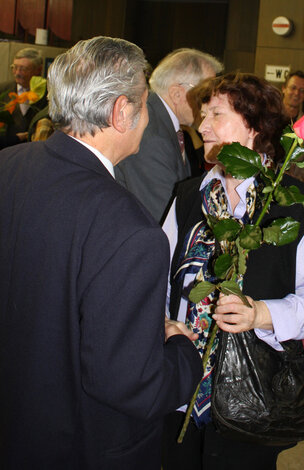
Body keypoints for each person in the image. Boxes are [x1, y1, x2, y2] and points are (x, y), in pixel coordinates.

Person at [0, 36, 202, 469]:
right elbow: (132, 384)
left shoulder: (8, 164)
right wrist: (183, 353)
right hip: (79, 444)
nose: (148, 119)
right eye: (146, 104)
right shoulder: (132, 230)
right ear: (121, 112)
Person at [161, 72, 304, 470]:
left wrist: (262, 314)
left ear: (255, 128)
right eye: (202, 115)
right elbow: (157, 276)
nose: (201, 125)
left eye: (216, 115)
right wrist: (165, 322)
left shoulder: (299, 207)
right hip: (181, 386)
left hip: (254, 395)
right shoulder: (188, 196)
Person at [115, 48, 223, 223]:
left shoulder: (163, 124)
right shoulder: (151, 133)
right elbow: (165, 217)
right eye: (205, 93)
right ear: (177, 93)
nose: (210, 101)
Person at [0, 47, 47, 147]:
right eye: (14, 67)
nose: (17, 73)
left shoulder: (48, 94)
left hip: (34, 150)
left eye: (23, 69)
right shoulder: (3, 89)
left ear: (38, 70)